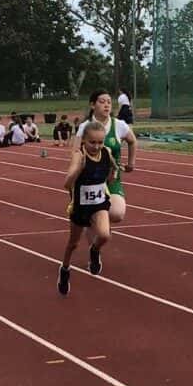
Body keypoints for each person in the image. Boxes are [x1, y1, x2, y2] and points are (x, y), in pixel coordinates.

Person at [57, 119, 115, 295]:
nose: (97, 146)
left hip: (99, 203)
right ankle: (65, 270)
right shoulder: (79, 155)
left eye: (100, 142)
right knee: (73, 244)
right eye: (92, 142)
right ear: (84, 140)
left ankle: (94, 250)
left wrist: (113, 172)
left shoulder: (106, 152)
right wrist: (79, 169)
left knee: (104, 235)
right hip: (80, 206)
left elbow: (110, 176)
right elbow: (67, 184)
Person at [75, 91, 136, 221]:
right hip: (90, 181)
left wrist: (131, 163)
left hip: (112, 179)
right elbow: (75, 152)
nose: (106, 105)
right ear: (93, 105)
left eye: (109, 102)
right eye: (102, 102)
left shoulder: (119, 125)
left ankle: (100, 224)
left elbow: (132, 141)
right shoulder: (85, 127)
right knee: (92, 219)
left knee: (116, 214)